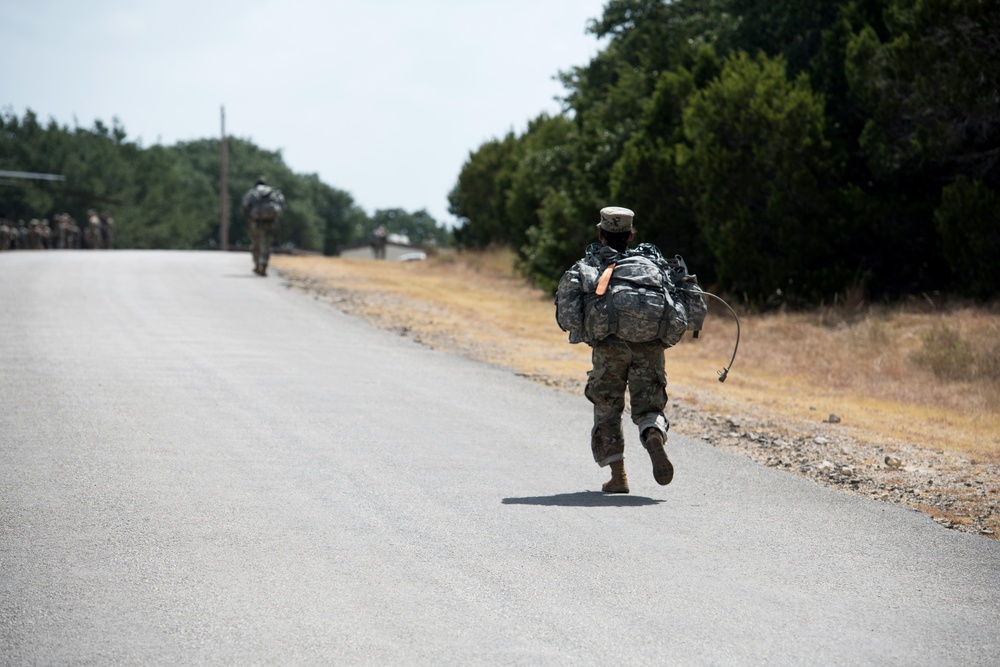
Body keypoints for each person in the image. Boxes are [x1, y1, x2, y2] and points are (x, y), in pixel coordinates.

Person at [555, 206, 704, 494]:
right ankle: (653, 433)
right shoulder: (654, 267)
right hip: (650, 348)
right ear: (631, 235)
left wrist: (591, 328)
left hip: (608, 349)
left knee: (608, 407)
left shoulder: (586, 268)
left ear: (601, 234)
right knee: (649, 406)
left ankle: (618, 476)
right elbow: (693, 312)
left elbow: (568, 318)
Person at [240, 177, 285, 276]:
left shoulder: (252, 192)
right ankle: (264, 264)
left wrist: (249, 217)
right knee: (267, 244)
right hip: (270, 222)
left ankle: (256, 264)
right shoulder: (272, 192)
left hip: (255, 222)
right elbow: (281, 204)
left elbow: (245, 206)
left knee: (256, 243)